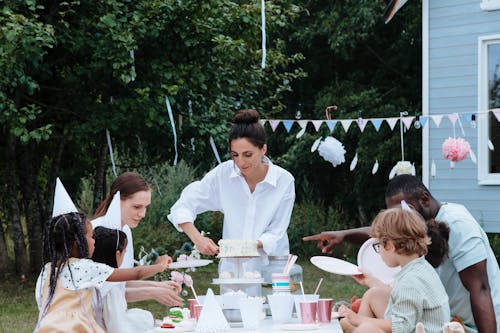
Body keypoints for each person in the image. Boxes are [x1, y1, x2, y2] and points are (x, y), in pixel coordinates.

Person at [304, 174, 499, 333]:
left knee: (366, 329)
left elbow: (480, 288)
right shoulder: (422, 238)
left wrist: (360, 320)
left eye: (404, 212)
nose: (402, 218)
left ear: (424, 199)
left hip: (464, 326)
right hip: (437, 319)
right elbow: (388, 233)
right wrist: (344, 236)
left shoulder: (458, 225)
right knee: (372, 297)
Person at [167, 109, 295, 274]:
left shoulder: (284, 180)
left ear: (263, 149)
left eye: (247, 155)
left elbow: (276, 231)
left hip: (272, 268)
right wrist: (198, 239)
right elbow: (183, 206)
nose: (240, 162)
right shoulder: (223, 175)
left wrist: (243, 248)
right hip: (232, 271)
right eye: (235, 155)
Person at [35, 212, 171, 333]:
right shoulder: (85, 267)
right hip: (76, 328)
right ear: (78, 242)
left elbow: (41, 300)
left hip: (47, 327)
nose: (94, 241)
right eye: (91, 236)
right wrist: (160, 265)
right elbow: (136, 273)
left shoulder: (47, 270)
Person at [338, 205, 450, 333]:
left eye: (378, 245)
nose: (378, 251)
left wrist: (359, 319)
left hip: (410, 329)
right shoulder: (419, 268)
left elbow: (400, 328)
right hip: (416, 324)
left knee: (366, 329)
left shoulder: (410, 282)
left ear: (390, 246)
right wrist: (371, 280)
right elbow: (397, 295)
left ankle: (355, 328)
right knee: (374, 294)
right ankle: (354, 328)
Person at [92, 172, 183, 307]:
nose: (143, 214)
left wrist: (157, 286)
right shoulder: (96, 233)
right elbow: (105, 294)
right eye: (136, 207)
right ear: (117, 200)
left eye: (145, 207)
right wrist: (153, 291)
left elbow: (121, 282)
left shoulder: (125, 231)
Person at [92, 226, 155, 333]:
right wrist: (147, 318)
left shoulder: (92, 275)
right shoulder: (110, 287)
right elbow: (118, 326)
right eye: (124, 252)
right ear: (118, 254)